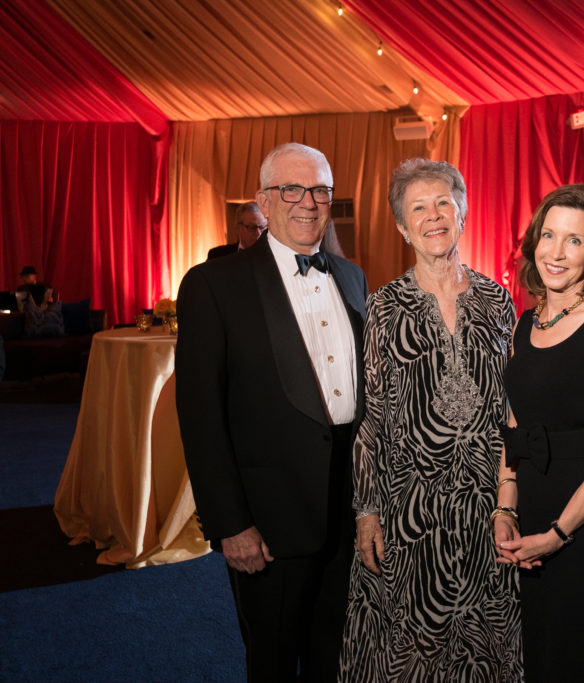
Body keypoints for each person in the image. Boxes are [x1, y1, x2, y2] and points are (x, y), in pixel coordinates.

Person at [176, 142, 367, 683]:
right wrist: (230, 523)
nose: (308, 202)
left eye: (320, 190)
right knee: (273, 661)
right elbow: (200, 415)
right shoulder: (215, 284)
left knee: (336, 655)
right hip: (267, 524)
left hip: (348, 517)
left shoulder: (353, 278)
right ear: (264, 199)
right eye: (292, 189)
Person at [340, 158, 522, 681]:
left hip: (487, 504)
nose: (434, 215)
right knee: (415, 646)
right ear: (402, 226)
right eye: (418, 207)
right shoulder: (382, 307)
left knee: (487, 641)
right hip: (410, 510)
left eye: (444, 202)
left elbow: (513, 411)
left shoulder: (497, 302)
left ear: (462, 212)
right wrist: (366, 509)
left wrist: (510, 497)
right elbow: (372, 418)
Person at [495, 184, 584, 681]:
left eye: (573, 241)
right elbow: (515, 424)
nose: (555, 252)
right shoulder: (524, 323)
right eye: (548, 236)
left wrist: (558, 535)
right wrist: (505, 505)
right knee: (545, 654)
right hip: (533, 509)